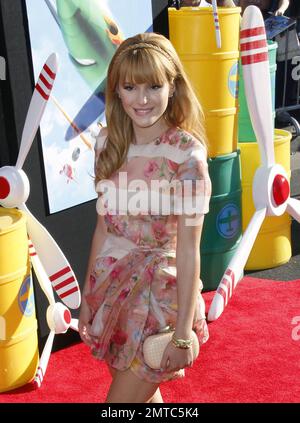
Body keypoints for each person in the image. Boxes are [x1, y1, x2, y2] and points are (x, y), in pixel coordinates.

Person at [78, 32, 211, 403]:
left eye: (154, 85)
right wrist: (89, 297)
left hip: (159, 298)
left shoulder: (187, 156)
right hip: (111, 289)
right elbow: (103, 228)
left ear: (173, 86)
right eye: (131, 86)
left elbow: (188, 251)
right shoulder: (108, 143)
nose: (143, 99)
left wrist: (184, 332)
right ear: (117, 91)